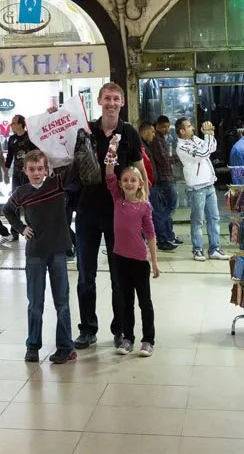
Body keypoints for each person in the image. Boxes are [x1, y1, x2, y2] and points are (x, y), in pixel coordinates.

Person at [74, 81, 145, 350]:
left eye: (116, 99)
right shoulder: (86, 131)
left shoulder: (129, 133)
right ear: (100, 101)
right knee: (85, 276)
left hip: (120, 217)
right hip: (86, 212)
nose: (112, 103)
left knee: (120, 277)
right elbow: (60, 154)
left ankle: (120, 329)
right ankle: (88, 329)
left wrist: (143, 205)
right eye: (107, 98)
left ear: (123, 102)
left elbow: (139, 170)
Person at [3, 149, 77, 365]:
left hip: (57, 250)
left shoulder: (56, 185)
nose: (36, 173)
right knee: (35, 302)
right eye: (32, 169)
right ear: (25, 171)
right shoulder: (21, 192)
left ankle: (65, 346)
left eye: (40, 169)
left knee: (62, 301)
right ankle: (33, 345)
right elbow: (8, 210)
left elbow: (73, 169)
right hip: (35, 251)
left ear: (47, 169)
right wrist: (21, 227)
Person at [105, 140, 159, 356]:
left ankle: (148, 339)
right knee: (126, 301)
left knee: (144, 302)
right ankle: (128, 338)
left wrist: (154, 261)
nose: (128, 183)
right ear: (120, 184)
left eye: (133, 180)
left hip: (139, 261)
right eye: (125, 180)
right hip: (120, 259)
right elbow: (109, 173)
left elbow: (151, 234)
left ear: (140, 183)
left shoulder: (144, 206)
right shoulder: (117, 200)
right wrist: (112, 151)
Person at [175, 117, 228, 262]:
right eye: (189, 126)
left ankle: (214, 249)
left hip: (209, 184)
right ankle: (197, 250)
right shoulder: (182, 147)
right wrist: (208, 135)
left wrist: (210, 135)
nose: (193, 128)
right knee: (198, 220)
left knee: (214, 218)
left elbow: (211, 148)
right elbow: (203, 154)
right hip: (197, 188)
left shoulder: (195, 139)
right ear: (181, 131)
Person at [142, 117, 178, 252]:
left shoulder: (154, 142)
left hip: (155, 181)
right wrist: (177, 157)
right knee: (161, 211)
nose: (166, 130)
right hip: (155, 182)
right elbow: (162, 160)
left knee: (164, 209)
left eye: (168, 127)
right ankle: (162, 238)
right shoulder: (153, 142)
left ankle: (167, 236)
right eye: (151, 131)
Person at [5, 114, 37, 240]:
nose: (11, 125)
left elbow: (37, 154)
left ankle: (32, 227)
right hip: (16, 174)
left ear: (20, 124)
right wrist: (6, 172)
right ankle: (15, 231)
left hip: (29, 175)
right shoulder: (12, 139)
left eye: (13, 123)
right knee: (15, 201)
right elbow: (9, 157)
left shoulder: (30, 137)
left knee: (30, 201)